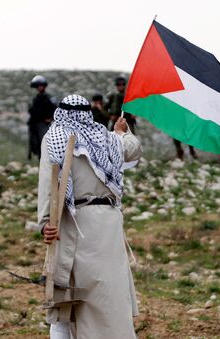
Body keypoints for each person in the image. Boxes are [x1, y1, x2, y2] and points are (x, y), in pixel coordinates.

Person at [38, 95, 142, 338]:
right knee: (108, 294)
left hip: (75, 222)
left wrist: (45, 223)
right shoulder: (106, 138)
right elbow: (134, 149)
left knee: (66, 300)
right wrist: (122, 132)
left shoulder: (54, 137)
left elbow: (48, 184)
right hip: (108, 223)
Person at [28, 75, 57, 160]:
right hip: (35, 124)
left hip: (44, 124)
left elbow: (55, 109)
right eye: (37, 86)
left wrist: (50, 119)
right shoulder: (36, 98)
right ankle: (40, 161)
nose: (39, 88)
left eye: (40, 85)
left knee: (44, 143)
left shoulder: (49, 97)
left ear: (44, 86)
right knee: (36, 144)